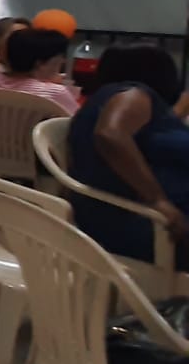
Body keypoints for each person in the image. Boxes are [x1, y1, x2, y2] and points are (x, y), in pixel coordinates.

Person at [67, 44, 189, 272]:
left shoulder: (111, 97)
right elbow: (110, 135)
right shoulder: (133, 93)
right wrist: (158, 200)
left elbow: (153, 136)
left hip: (122, 217)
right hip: (147, 225)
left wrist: (178, 112)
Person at [0, 27, 79, 114]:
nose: (63, 61)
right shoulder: (54, 93)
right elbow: (79, 125)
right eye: (60, 58)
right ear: (40, 64)